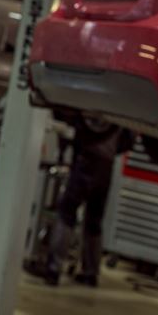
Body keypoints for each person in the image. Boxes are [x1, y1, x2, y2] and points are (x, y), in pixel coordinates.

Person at [43, 117, 132, 287]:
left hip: (86, 159)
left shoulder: (92, 106)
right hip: (107, 165)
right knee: (94, 221)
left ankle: (54, 269)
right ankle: (91, 273)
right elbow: (128, 141)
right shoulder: (121, 112)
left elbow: (76, 124)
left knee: (67, 213)